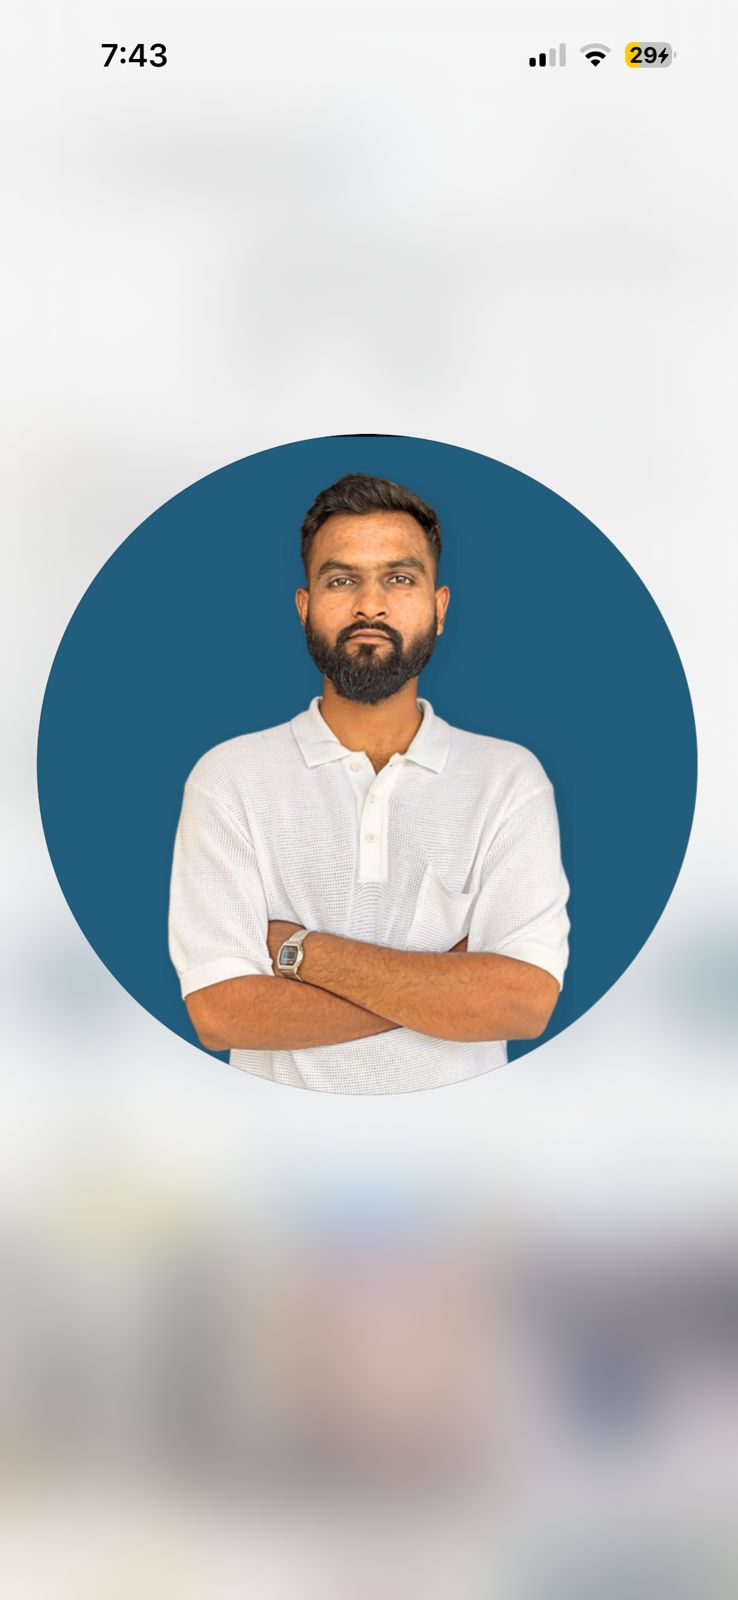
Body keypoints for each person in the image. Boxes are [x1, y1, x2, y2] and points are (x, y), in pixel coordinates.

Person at [168, 472, 570, 1093]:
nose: (369, 605)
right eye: (341, 579)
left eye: (400, 578)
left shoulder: (508, 780)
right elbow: (220, 1013)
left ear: (439, 610)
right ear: (305, 607)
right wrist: (446, 987)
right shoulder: (230, 777)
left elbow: (524, 1004)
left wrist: (300, 951)